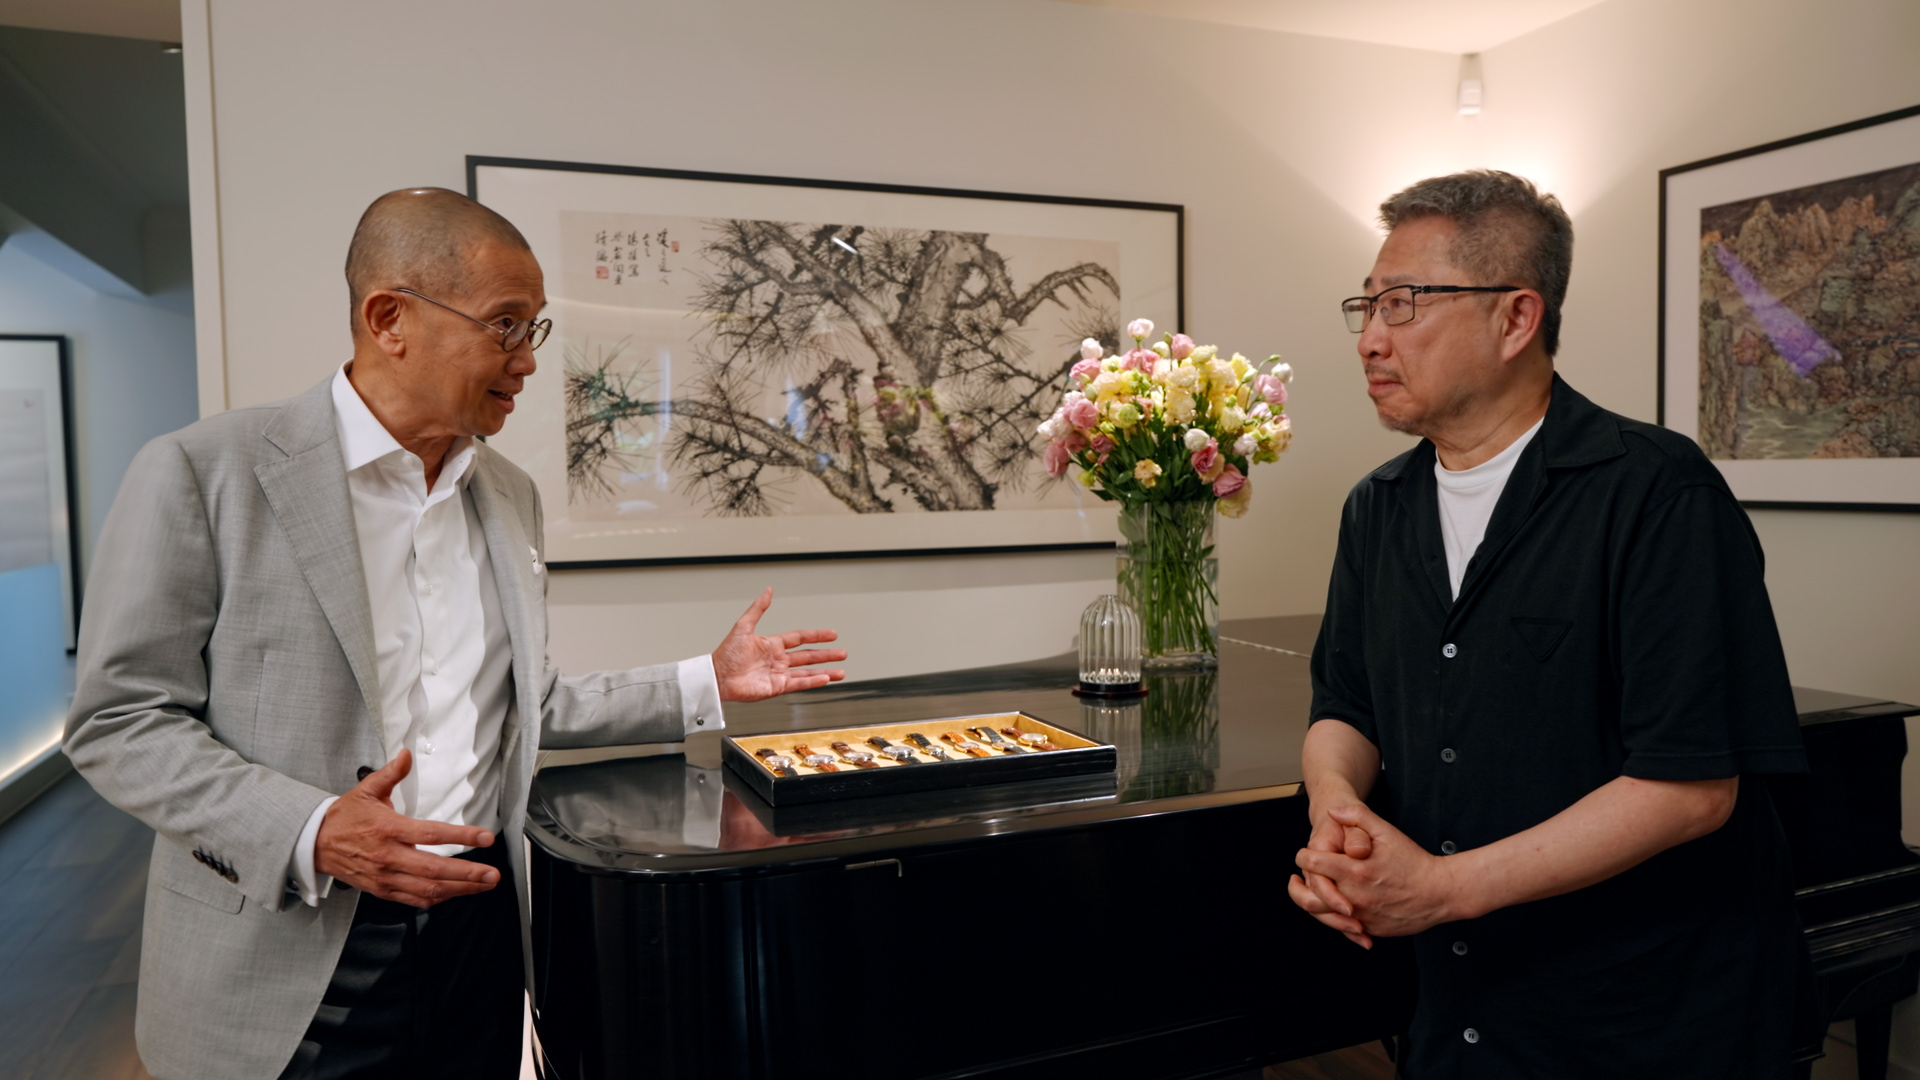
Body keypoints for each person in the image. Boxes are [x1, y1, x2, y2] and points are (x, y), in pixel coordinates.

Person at [65, 187, 848, 1080]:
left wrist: (707, 680)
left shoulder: (508, 494)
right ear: (389, 319)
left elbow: (523, 705)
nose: (527, 359)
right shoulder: (204, 473)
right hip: (290, 946)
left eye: (534, 329)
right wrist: (313, 829)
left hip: (478, 936)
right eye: (505, 324)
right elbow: (120, 721)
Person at [1287, 170, 1812, 1078]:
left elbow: (1690, 787)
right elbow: (1347, 706)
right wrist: (1337, 811)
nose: (1371, 336)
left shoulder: (1658, 492)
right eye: (1366, 305)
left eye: (1403, 303)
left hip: (1643, 1020)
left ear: (1515, 318)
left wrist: (1443, 888)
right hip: (1465, 1011)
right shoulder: (1378, 507)